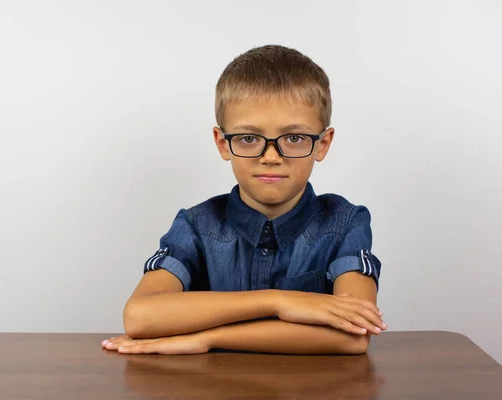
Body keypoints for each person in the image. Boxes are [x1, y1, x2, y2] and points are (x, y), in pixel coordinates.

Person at [102, 44, 385, 355]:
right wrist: (281, 301)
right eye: (249, 138)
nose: (271, 157)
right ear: (223, 143)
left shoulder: (345, 222)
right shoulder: (196, 224)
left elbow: (354, 335)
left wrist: (207, 339)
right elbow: (140, 317)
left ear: (322, 144)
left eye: (294, 138)